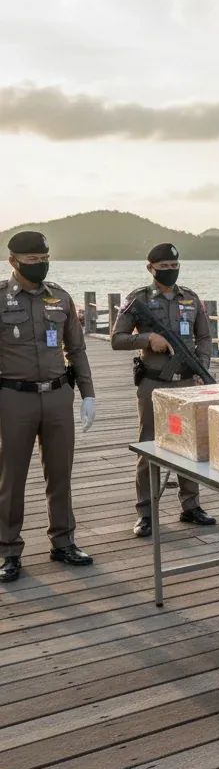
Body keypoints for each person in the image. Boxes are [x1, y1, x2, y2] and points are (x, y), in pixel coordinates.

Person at [0, 231, 97, 583]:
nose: (40, 265)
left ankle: (63, 541)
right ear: (13, 261)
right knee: (12, 478)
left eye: (44, 259)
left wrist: (88, 393)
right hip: (14, 398)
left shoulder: (61, 298)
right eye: (32, 260)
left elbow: (77, 349)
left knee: (61, 474)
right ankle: (8, 549)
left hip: (58, 396)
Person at [111, 243, 215, 538]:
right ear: (150, 268)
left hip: (186, 383)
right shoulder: (138, 300)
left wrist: (200, 366)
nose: (170, 271)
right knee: (149, 445)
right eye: (164, 266)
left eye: (174, 266)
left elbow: (205, 337)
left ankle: (191, 506)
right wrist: (147, 338)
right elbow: (117, 339)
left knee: (190, 444)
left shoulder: (192, 299)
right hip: (154, 383)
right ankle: (145, 512)